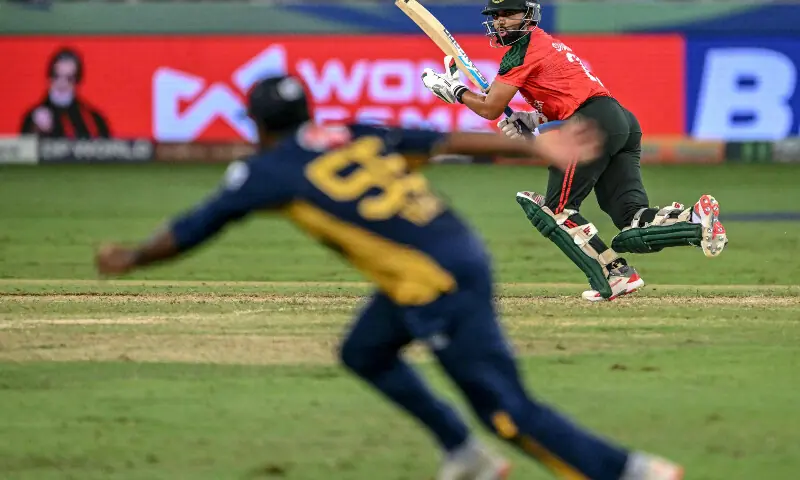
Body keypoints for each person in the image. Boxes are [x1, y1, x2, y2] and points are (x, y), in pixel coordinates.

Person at [95, 74, 682, 480]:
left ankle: (627, 470)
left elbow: (193, 229)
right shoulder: (352, 131)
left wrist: (132, 258)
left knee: (506, 413)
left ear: (256, 124)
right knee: (364, 351)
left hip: (435, 281)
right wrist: (539, 149)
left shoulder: (265, 170)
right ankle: (462, 453)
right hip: (453, 249)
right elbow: (451, 140)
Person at [420, 0, 728, 302]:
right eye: (496, 15)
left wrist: (457, 92)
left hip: (593, 122)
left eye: (508, 14)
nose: (500, 21)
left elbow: (490, 108)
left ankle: (614, 274)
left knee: (556, 211)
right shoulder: (545, 45)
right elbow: (568, 93)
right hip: (619, 120)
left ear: (528, 15)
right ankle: (694, 220)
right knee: (631, 219)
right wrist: (535, 118)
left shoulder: (521, 52)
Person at [20, 47, 111, 139]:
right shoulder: (33, 119)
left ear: (77, 81)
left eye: (69, 78)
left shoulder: (93, 120)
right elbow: (24, 150)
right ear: (49, 77)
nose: (62, 84)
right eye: (57, 76)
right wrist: (35, 129)